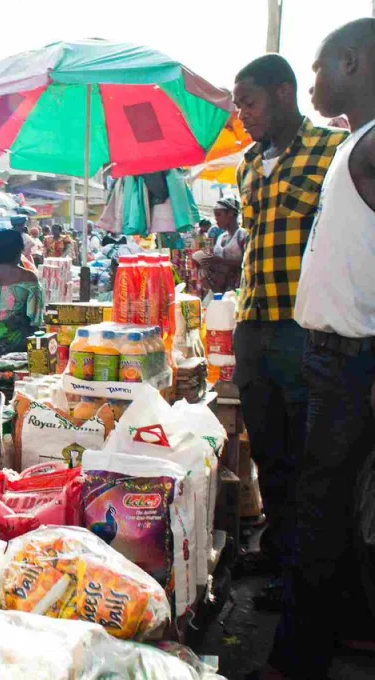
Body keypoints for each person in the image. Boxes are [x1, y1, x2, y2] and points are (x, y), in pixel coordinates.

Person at [261, 19, 375, 680]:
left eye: (318, 68)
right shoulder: (352, 142)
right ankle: (352, 630)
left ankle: (294, 663)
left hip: (352, 358)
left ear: (354, 63)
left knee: (321, 511)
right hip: (333, 353)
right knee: (340, 506)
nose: (311, 83)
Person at [231, 53, 348, 613]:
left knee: (308, 457)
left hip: (305, 329)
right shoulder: (248, 164)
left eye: (248, 102)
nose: (243, 115)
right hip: (253, 324)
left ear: (283, 93)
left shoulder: (334, 150)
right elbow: (254, 239)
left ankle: (304, 580)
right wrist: (225, 260)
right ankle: (278, 552)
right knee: (269, 452)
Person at [200, 197, 247, 293]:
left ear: (230, 214)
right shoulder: (220, 237)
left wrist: (221, 261)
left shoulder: (242, 235)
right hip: (220, 289)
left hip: (238, 288)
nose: (216, 219)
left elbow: (247, 263)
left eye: (219, 215)